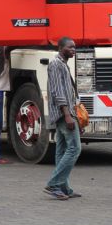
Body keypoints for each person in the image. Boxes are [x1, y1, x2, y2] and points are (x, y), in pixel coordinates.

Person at [44, 36, 81, 200]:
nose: (73, 50)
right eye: (70, 47)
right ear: (60, 48)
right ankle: (54, 184)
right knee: (74, 148)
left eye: (74, 47)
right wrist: (67, 115)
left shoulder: (63, 64)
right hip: (63, 113)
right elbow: (57, 92)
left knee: (62, 150)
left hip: (65, 112)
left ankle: (63, 188)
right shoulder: (56, 64)